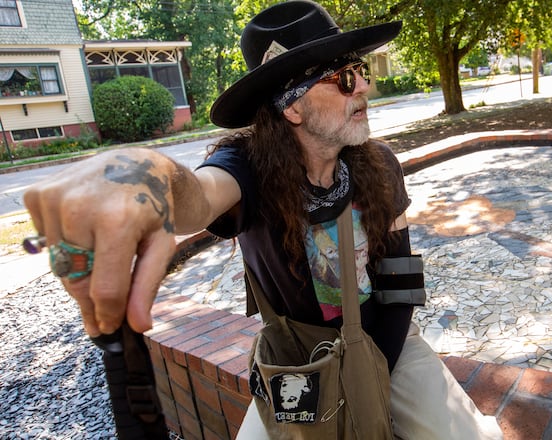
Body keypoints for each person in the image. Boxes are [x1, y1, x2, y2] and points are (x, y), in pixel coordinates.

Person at [23, 1, 503, 438]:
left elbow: (400, 276)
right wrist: (148, 176)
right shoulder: (246, 168)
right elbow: (200, 196)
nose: (366, 86)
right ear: (292, 106)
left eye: (360, 69)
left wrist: (372, 370)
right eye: (344, 77)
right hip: (296, 360)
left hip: (387, 338)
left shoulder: (379, 163)